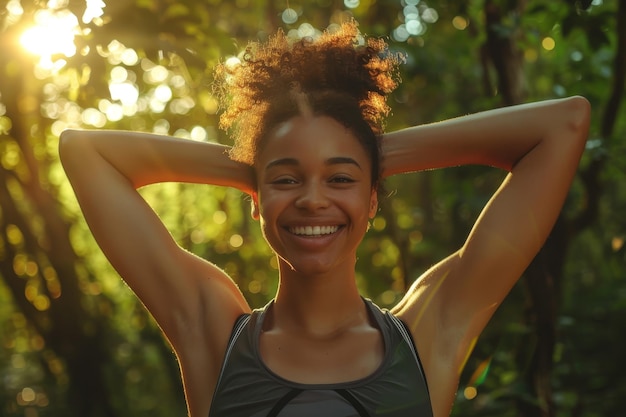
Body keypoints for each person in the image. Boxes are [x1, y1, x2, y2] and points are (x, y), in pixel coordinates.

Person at [59, 21, 590, 417]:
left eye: (340, 180)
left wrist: (369, 154)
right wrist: (266, 161)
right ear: (255, 198)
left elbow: (563, 125)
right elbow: (84, 151)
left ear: (373, 199)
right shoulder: (212, 332)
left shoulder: (431, 329)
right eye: (287, 181)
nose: (314, 200)